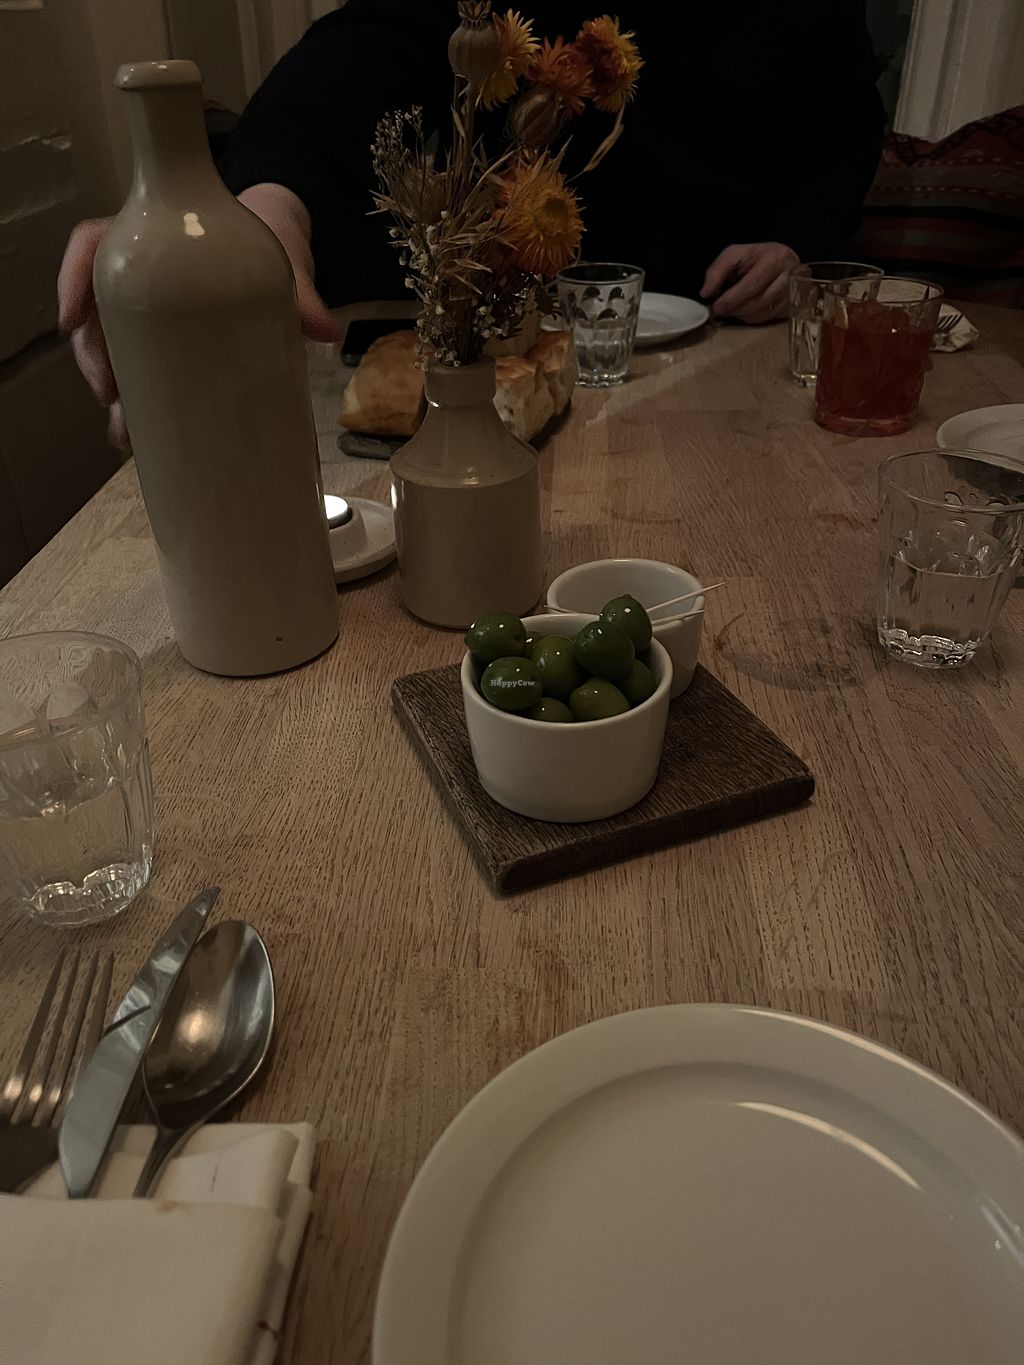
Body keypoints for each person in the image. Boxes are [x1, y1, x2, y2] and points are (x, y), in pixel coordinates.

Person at [58, 1, 885, 449]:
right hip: (509, 337)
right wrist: (259, 217)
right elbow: (354, 56)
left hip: (734, 338)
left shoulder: (808, 23)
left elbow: (850, 130)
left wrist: (799, 242)